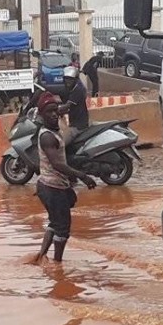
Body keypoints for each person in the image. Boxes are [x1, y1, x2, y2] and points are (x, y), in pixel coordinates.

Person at [33, 94, 97, 263]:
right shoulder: (47, 136)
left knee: (55, 222)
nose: (54, 115)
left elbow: (61, 109)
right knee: (62, 228)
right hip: (52, 187)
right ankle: (57, 265)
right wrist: (82, 176)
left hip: (53, 186)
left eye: (55, 111)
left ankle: (41, 256)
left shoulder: (55, 128)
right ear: (41, 115)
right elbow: (57, 164)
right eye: (49, 112)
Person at [57, 66, 90, 137]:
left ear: (76, 80)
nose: (68, 81)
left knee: (61, 141)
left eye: (71, 79)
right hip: (74, 123)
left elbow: (67, 106)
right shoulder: (70, 90)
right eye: (66, 79)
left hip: (78, 126)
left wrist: (54, 109)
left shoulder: (78, 90)